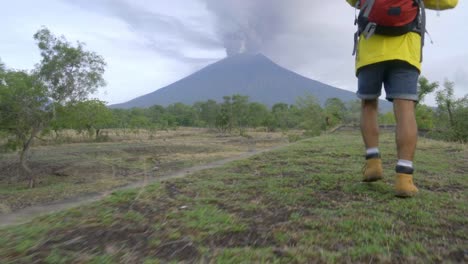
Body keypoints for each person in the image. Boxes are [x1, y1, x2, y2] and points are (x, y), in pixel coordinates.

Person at [346, 0, 422, 197]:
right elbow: (449, 2)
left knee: (368, 105)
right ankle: (404, 179)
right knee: (405, 109)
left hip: (370, 47)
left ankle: (373, 164)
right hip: (406, 52)